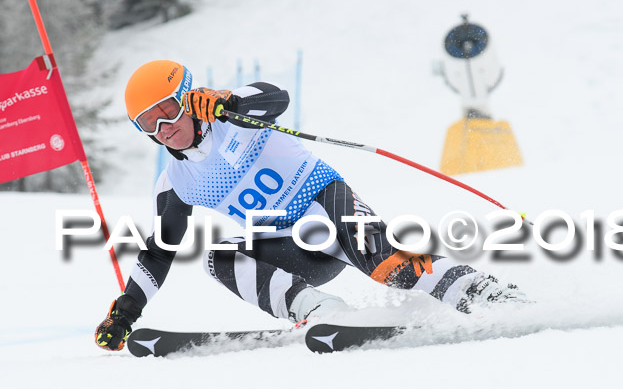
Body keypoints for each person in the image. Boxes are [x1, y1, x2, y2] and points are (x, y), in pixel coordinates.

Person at [95, 59, 524, 351]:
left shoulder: (234, 113)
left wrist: (230, 102)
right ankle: (317, 310)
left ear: (188, 96)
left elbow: (273, 95)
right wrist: (126, 311)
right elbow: (159, 251)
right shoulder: (174, 183)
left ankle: (488, 295)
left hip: (324, 203)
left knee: (388, 265)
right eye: (148, 123)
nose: (164, 129)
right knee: (218, 257)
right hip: (290, 246)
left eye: (168, 111)